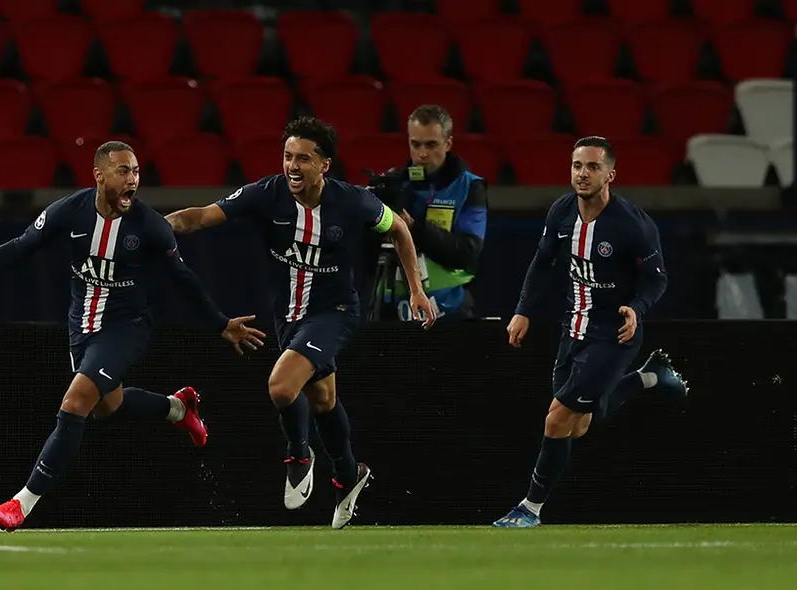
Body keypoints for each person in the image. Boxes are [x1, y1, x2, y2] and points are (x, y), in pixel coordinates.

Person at [0, 141, 265, 532]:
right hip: (82, 326)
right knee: (105, 407)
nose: (132, 180)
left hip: (126, 327)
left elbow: (184, 282)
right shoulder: (69, 211)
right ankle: (178, 408)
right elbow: (19, 248)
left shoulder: (150, 227)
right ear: (99, 175)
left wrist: (220, 323)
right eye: (123, 172)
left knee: (77, 400)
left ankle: (21, 504)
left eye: (135, 172)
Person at [164, 117, 436, 529]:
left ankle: (298, 455)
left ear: (324, 165)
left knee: (281, 386)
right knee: (324, 400)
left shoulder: (352, 202)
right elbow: (201, 217)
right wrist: (154, 228)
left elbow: (398, 229)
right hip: (289, 318)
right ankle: (348, 475)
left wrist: (416, 288)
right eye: (288, 156)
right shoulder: (266, 194)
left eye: (304, 159)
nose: (293, 165)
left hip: (336, 313)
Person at [492, 136, 689, 528]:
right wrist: (523, 311)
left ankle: (530, 509)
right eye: (577, 166)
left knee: (556, 421)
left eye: (593, 167)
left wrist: (636, 308)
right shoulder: (561, 212)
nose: (583, 174)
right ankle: (651, 378)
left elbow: (656, 279)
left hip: (614, 336)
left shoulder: (632, 225)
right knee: (577, 425)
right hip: (574, 329)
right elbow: (542, 262)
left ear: (610, 174)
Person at [374, 104, 488, 321]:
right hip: (392, 311)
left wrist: (414, 228)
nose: (422, 153)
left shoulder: (470, 187)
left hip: (450, 310)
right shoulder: (393, 187)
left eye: (431, 144)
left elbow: (467, 251)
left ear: (448, 143)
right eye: (415, 144)